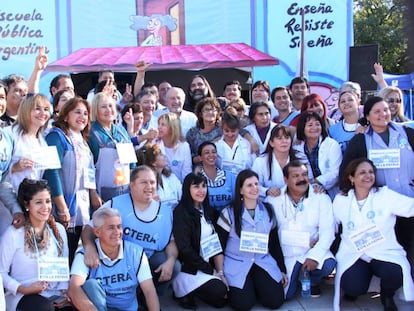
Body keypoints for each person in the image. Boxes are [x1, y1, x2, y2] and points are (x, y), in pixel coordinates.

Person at [340, 96, 414, 279]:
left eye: (386, 110)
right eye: (377, 111)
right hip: (380, 207)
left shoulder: (407, 133)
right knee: (386, 253)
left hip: (408, 200)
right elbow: (347, 170)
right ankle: (387, 290)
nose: (383, 114)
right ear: (367, 116)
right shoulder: (361, 140)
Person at [81, 166, 180, 294]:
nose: (149, 186)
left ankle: (146, 300)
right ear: (132, 185)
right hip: (117, 263)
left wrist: (171, 260)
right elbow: (89, 228)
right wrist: (89, 247)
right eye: (144, 182)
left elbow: (171, 242)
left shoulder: (166, 212)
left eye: (152, 182)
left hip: (147, 263)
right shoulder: (115, 204)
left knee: (173, 265)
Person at [333, 158, 414, 311]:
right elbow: (333, 225)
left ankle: (387, 295)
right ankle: (358, 286)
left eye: (371, 172)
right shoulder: (341, 200)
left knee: (395, 272)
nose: (368, 176)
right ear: (351, 177)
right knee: (352, 286)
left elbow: (410, 207)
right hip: (354, 252)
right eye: (362, 172)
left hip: (383, 251)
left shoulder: (385, 196)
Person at [217, 169, 287, 311]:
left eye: (256, 184)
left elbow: (274, 243)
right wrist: (220, 273)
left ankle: (257, 285)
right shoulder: (229, 213)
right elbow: (220, 245)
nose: (254, 188)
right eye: (249, 185)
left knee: (275, 301)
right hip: (237, 262)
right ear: (241, 190)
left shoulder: (268, 210)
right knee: (242, 305)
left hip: (261, 260)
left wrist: (282, 269)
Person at [44, 97, 102, 265]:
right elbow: (51, 171)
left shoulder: (84, 141)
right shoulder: (57, 137)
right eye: (77, 112)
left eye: (85, 113)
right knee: (61, 251)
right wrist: (61, 207)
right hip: (62, 207)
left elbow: (89, 172)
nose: (82, 116)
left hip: (82, 207)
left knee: (73, 251)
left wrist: (93, 194)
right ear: (66, 115)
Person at [267, 160, 336, 299]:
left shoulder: (320, 197)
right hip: (286, 254)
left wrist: (314, 256)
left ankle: (312, 281)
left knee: (328, 265)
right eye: (296, 176)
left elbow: (328, 231)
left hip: (310, 249)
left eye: (304, 175)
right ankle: (297, 276)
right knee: (283, 296)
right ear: (286, 180)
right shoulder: (273, 199)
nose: (301, 179)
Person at [68, 207, 160, 311]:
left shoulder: (135, 252)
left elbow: (149, 291)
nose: (117, 232)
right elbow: (73, 289)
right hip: (98, 308)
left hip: (128, 309)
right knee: (91, 285)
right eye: (111, 228)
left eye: (119, 227)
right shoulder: (85, 254)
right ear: (97, 232)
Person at [0, 178, 69, 311]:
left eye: (48, 201)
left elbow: (64, 266)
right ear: (27, 205)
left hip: (54, 294)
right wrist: (24, 289)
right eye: (38, 202)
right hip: (22, 295)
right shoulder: (14, 233)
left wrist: (65, 293)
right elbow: (1, 272)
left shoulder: (58, 230)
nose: (45, 207)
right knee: (44, 308)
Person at [172, 173, 228, 309]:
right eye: (196, 186)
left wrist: (220, 272)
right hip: (191, 268)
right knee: (220, 291)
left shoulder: (208, 210)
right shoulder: (181, 212)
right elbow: (185, 249)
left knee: (224, 298)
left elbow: (216, 243)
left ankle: (197, 291)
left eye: (204, 186)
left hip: (208, 263)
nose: (201, 190)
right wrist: (210, 270)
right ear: (187, 189)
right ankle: (184, 292)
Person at [88, 93, 133, 202]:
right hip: (103, 193)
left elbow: (132, 164)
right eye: (103, 107)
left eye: (110, 106)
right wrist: (93, 193)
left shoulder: (121, 131)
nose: (108, 110)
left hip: (126, 190)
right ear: (95, 110)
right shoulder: (91, 132)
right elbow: (87, 167)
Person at [4, 94, 51, 191]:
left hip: (31, 201)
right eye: (37, 108)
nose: (43, 113)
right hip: (8, 199)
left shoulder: (43, 142)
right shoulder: (9, 134)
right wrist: (15, 167)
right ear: (26, 110)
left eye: (46, 109)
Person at [293, 112, 342, 198]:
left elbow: (335, 173)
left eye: (317, 124)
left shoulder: (331, 145)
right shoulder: (297, 148)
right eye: (310, 125)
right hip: (306, 191)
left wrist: (316, 181)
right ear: (302, 128)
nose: (314, 128)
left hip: (331, 192)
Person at [252, 124, 303, 198]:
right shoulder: (260, 161)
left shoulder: (300, 157)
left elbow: (309, 180)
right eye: (279, 138)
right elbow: (253, 184)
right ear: (271, 143)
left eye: (287, 138)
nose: (284, 141)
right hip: (269, 202)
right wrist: (267, 191)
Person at [195, 141, 235, 221]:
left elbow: (236, 201)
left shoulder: (229, 176)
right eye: (207, 153)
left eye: (214, 152)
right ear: (200, 158)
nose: (211, 155)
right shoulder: (196, 178)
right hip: (205, 221)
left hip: (229, 221)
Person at [137, 143, 182, 210]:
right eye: (160, 154)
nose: (164, 156)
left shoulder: (171, 177)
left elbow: (182, 193)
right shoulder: (146, 183)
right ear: (153, 162)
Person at [215, 110, 254, 177]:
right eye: (226, 131)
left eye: (233, 131)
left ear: (238, 129)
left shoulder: (247, 144)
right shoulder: (216, 145)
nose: (230, 134)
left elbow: (253, 166)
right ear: (222, 129)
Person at [156, 112, 192, 182]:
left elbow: (187, 172)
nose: (159, 127)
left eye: (163, 125)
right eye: (159, 124)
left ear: (173, 127)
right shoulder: (155, 143)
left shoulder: (184, 146)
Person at [186, 97, 222, 166]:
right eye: (206, 110)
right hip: (199, 170)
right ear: (200, 114)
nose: (210, 112)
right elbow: (187, 155)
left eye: (213, 110)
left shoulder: (222, 130)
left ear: (217, 113)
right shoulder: (192, 132)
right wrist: (198, 158)